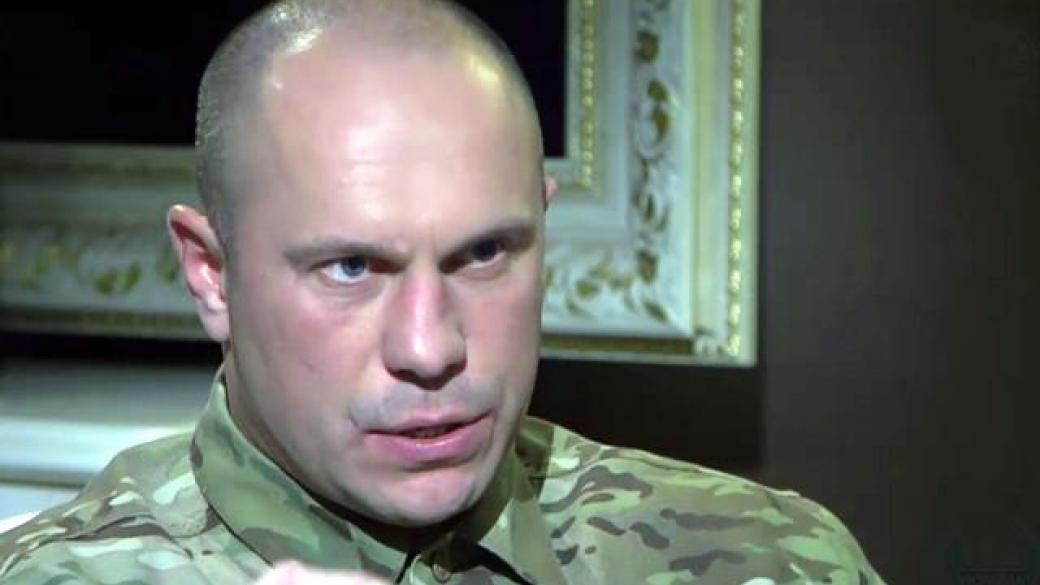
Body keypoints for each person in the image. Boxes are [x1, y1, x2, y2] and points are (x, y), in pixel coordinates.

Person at [0, 0, 885, 583]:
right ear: (210, 272)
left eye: (485, 252)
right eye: (351, 267)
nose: (430, 348)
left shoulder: (771, 558)